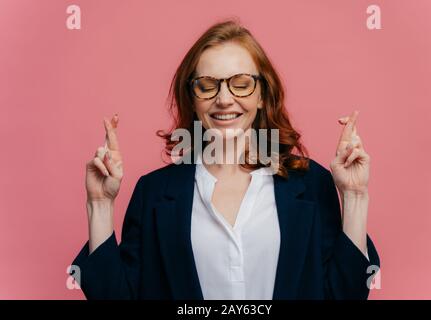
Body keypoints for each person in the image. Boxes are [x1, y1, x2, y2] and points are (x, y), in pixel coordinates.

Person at [72, 19, 379, 300]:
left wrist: (354, 197)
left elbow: (344, 295)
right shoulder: (153, 193)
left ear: (261, 95)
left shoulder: (312, 185)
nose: (224, 98)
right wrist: (99, 204)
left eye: (241, 83)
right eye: (207, 85)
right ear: (192, 98)